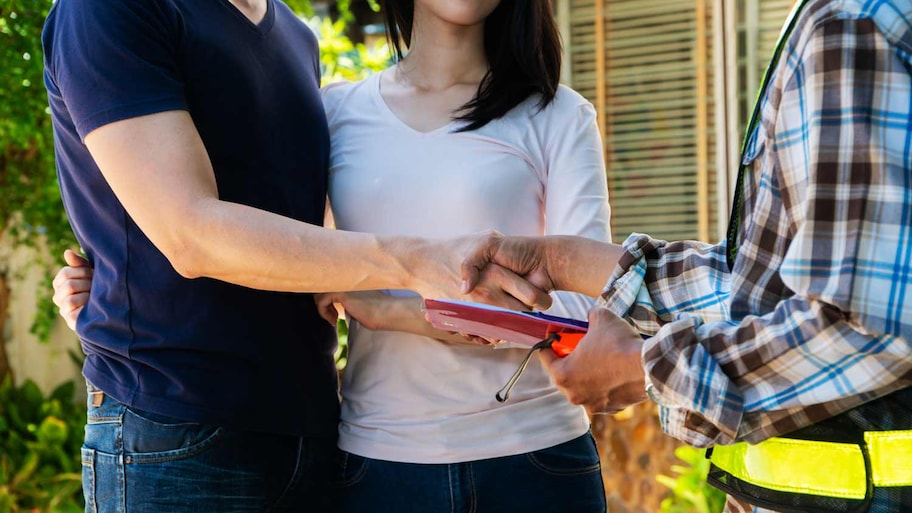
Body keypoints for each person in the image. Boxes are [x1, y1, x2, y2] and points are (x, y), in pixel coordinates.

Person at [53, 0, 612, 511]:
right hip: (257, 441)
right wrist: (112, 286)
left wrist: (388, 309)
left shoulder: (296, 40)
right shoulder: (339, 109)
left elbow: (578, 315)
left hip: (354, 439)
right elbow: (206, 235)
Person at [457, 0, 912, 511]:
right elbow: (763, 290)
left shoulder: (853, 25)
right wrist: (562, 262)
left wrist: (647, 370)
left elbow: (869, 323)